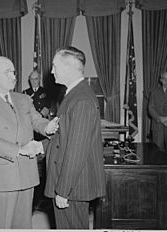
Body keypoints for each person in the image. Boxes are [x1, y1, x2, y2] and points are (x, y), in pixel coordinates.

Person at [0, 56, 59, 229]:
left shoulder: (24, 99)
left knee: (23, 224)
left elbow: (36, 119)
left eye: (14, 71)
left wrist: (48, 126)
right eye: (8, 72)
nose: (14, 76)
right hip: (3, 175)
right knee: (2, 225)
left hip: (27, 173)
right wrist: (20, 150)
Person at [44, 46, 106, 229]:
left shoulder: (81, 99)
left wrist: (63, 190)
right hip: (71, 183)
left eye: (55, 66)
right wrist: (40, 146)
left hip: (73, 186)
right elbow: (64, 138)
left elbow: (76, 150)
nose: (52, 71)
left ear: (69, 67)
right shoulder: (73, 94)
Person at [148, 71, 167, 160]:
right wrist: (160, 119)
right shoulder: (154, 91)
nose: (166, 80)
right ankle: (158, 172)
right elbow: (151, 108)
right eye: (164, 78)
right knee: (157, 151)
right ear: (160, 80)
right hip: (157, 125)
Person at [23, 70, 50, 142]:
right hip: (30, 123)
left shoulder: (46, 91)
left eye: (36, 79)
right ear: (29, 80)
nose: (34, 81)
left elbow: (47, 107)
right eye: (32, 79)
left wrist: (38, 118)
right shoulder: (25, 93)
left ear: (39, 79)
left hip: (42, 121)